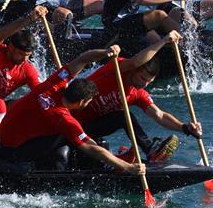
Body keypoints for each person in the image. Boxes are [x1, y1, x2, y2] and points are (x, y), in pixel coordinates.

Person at [0, 46, 146, 175]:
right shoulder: (62, 117)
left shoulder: (53, 84)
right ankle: (104, 165)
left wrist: (106, 52)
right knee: (68, 136)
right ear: (82, 102)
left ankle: (100, 161)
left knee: (76, 136)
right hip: (11, 153)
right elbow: (90, 147)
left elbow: (82, 59)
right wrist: (127, 167)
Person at [72, 32, 202, 164]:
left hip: (90, 130)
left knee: (120, 121)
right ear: (133, 71)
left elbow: (160, 116)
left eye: (149, 82)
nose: (144, 84)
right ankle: (150, 150)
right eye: (142, 78)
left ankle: (143, 154)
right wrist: (163, 41)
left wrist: (186, 128)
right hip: (71, 122)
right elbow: (135, 62)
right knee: (122, 116)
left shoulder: (138, 93)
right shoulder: (116, 69)